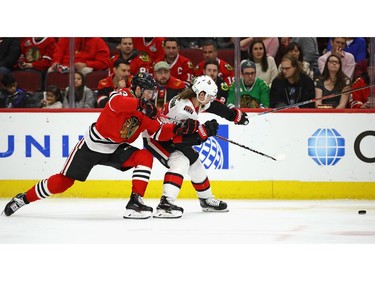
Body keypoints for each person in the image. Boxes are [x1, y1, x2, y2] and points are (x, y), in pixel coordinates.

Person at [2, 72, 198, 219]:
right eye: (147, 92)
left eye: (152, 92)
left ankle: (135, 202)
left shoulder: (146, 110)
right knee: (63, 182)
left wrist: (181, 129)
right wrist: (139, 105)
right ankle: (23, 198)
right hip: (91, 146)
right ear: (137, 89)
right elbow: (116, 103)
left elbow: (158, 131)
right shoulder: (123, 94)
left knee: (144, 157)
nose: (150, 96)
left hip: (116, 149)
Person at [143, 75, 249, 219]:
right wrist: (205, 133)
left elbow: (215, 106)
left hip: (170, 135)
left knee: (195, 162)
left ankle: (206, 200)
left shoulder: (196, 100)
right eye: (209, 96)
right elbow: (181, 141)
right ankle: (165, 205)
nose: (211, 99)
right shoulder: (186, 110)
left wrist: (234, 115)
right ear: (201, 94)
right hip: (155, 137)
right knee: (181, 162)